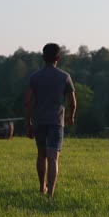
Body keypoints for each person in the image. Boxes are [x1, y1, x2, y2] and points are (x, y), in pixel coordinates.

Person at [24, 43, 77, 199]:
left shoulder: (34, 77)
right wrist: (71, 116)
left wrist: (29, 124)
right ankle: (51, 195)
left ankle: (42, 188)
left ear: (43, 58)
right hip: (56, 122)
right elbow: (73, 102)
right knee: (53, 158)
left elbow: (27, 102)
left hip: (40, 121)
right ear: (58, 58)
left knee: (41, 155)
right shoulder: (65, 77)